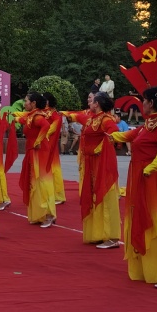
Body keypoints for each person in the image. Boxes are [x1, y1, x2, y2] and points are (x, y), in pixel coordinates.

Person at [110, 86, 157, 288]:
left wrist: (151, 168)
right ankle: (146, 268)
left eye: (144, 100)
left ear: (152, 103)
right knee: (140, 215)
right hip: (140, 177)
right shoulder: (147, 125)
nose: (142, 104)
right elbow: (130, 135)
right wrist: (111, 136)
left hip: (153, 179)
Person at [66, 92, 121, 248]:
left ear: (97, 104)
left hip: (102, 163)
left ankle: (111, 237)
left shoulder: (106, 119)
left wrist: (100, 148)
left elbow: (115, 134)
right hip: (91, 164)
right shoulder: (91, 119)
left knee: (106, 196)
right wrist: (65, 114)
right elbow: (79, 116)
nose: (89, 103)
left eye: (92, 101)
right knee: (94, 196)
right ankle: (98, 234)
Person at [14, 92, 56, 228]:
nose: (24, 103)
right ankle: (39, 214)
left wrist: (38, 141)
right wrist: (15, 118)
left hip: (39, 152)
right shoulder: (32, 116)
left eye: (26, 101)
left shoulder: (37, 116)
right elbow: (25, 121)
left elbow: (46, 126)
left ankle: (48, 214)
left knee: (41, 182)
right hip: (33, 151)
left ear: (33, 103)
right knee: (35, 183)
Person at [43, 92, 66, 205]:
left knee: (54, 169)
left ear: (48, 101)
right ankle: (48, 193)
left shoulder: (54, 113)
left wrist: (45, 134)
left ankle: (59, 196)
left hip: (50, 143)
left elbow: (55, 125)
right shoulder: (42, 111)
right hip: (43, 142)